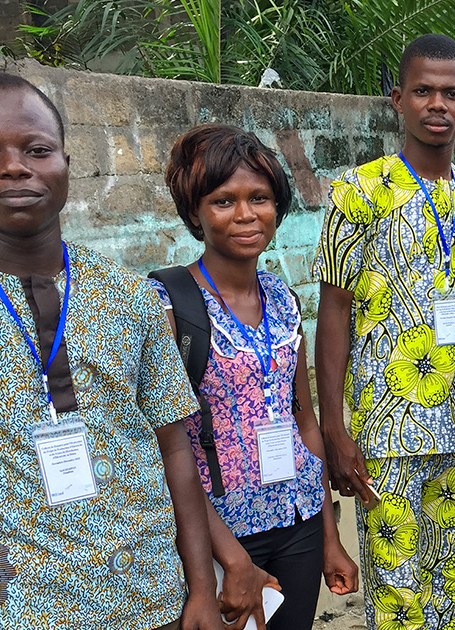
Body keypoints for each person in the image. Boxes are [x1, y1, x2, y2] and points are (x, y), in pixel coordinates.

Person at [0, 73, 222, 630]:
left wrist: (200, 588)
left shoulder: (131, 296)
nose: (13, 167)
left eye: (36, 150)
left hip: (147, 599)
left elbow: (176, 449)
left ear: (65, 160)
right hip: (11, 612)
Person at [314, 34, 455, 630]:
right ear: (397, 99)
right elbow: (334, 311)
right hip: (384, 430)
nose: (437, 104)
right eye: (423, 91)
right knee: (397, 599)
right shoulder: (359, 190)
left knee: (446, 584)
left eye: (451, 93)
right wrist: (334, 429)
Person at [150, 124, 359, 630]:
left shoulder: (284, 299)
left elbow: (303, 423)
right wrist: (233, 562)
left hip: (299, 522)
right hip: (220, 533)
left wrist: (330, 539)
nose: (246, 215)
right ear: (195, 213)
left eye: (259, 198)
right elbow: (167, 447)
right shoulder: (167, 304)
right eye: (223, 201)